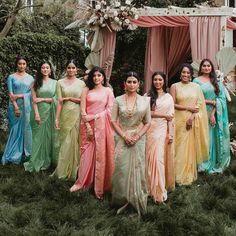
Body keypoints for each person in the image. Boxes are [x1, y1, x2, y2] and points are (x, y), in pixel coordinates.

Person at [70, 66, 115, 199]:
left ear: (103, 77)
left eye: (99, 76)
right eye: (94, 76)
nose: (96, 78)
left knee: (102, 154)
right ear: (91, 77)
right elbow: (83, 110)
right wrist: (88, 126)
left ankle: (101, 183)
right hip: (86, 125)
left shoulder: (108, 91)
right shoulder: (86, 90)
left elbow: (110, 110)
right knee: (86, 153)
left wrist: (95, 117)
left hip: (102, 126)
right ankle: (84, 181)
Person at [111, 71, 151, 215]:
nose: (132, 84)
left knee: (137, 168)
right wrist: (124, 136)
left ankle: (136, 198)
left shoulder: (145, 101)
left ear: (139, 84)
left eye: (134, 82)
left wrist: (137, 136)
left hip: (138, 139)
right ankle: (120, 200)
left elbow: (148, 122)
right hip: (122, 137)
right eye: (129, 81)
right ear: (124, 84)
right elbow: (113, 120)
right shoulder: (118, 100)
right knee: (121, 168)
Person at [170, 64, 209, 185]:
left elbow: (199, 105)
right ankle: (176, 174)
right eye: (183, 72)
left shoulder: (196, 87)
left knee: (189, 147)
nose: (185, 75)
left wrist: (191, 117)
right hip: (178, 119)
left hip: (192, 121)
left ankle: (188, 174)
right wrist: (188, 108)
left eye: (188, 73)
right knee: (178, 146)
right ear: (180, 74)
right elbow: (172, 103)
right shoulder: (174, 86)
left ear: (191, 75)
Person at [193, 59, 230, 173]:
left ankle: (215, 161)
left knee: (214, 137)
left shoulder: (216, 81)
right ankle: (203, 163)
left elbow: (221, 99)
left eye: (208, 66)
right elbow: (194, 99)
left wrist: (213, 114)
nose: (206, 68)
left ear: (211, 68)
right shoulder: (196, 81)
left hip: (215, 114)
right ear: (201, 68)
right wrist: (211, 102)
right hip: (201, 112)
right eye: (204, 66)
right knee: (204, 138)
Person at [52, 60, 85, 180]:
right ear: (66, 69)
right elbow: (60, 102)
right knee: (65, 141)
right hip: (65, 114)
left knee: (75, 141)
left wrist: (70, 98)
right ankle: (62, 169)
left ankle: (75, 169)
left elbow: (84, 101)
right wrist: (56, 118)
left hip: (77, 114)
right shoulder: (59, 82)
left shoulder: (82, 84)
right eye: (69, 68)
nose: (71, 70)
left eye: (73, 68)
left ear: (77, 70)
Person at [146, 72, 175, 203]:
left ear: (164, 81)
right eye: (155, 80)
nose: (157, 82)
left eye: (160, 79)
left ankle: (158, 189)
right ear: (152, 81)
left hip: (162, 130)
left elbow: (171, 116)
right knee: (148, 159)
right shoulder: (147, 96)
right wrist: (162, 114)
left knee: (158, 159)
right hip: (149, 130)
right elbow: (145, 114)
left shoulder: (169, 97)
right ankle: (148, 188)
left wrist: (170, 133)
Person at [24, 61, 58, 172]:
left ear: (50, 70)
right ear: (40, 69)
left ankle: (46, 160)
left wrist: (43, 99)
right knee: (37, 137)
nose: (45, 69)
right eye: (43, 67)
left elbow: (56, 98)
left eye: (47, 67)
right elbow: (34, 100)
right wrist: (37, 115)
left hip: (50, 112)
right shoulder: (35, 82)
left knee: (48, 137)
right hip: (38, 112)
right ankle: (36, 160)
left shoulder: (55, 83)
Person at [2, 56, 34, 165]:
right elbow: (11, 95)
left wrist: (20, 96)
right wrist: (16, 107)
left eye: (24, 64)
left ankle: (25, 153)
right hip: (13, 107)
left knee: (26, 129)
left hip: (26, 106)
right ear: (17, 64)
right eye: (20, 63)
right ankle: (13, 154)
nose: (22, 66)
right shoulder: (11, 77)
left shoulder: (30, 78)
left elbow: (31, 94)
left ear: (26, 65)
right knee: (15, 129)